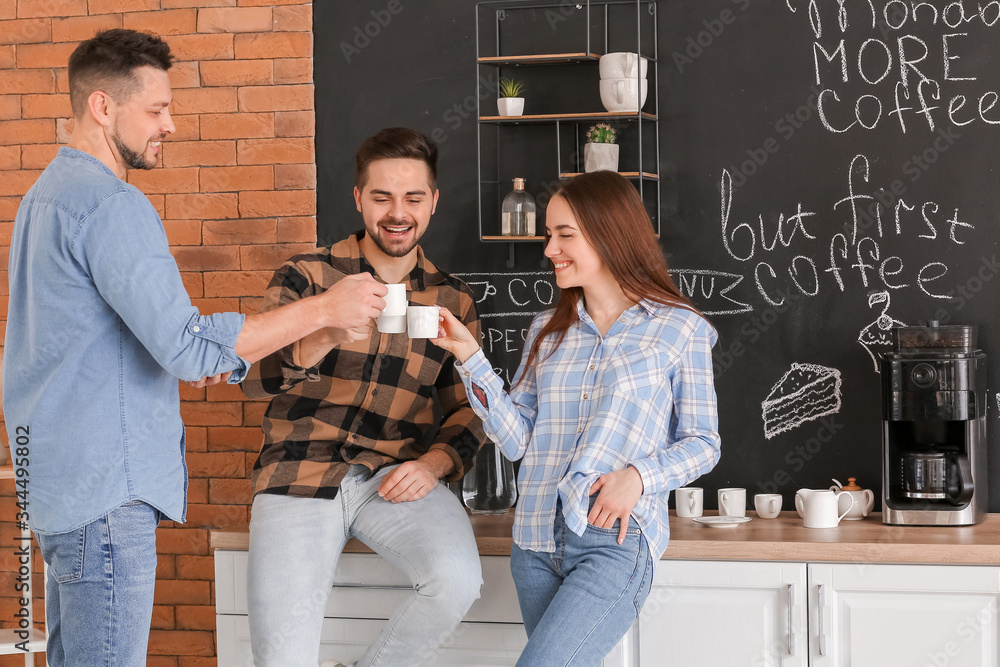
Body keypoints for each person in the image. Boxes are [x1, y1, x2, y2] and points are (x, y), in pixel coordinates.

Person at [2, 29, 387, 666]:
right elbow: (188, 349)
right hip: (108, 495)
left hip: (63, 488)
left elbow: (104, 340)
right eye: (156, 109)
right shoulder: (111, 205)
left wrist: (191, 354)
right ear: (103, 106)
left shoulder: (45, 198)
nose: (171, 125)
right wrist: (326, 308)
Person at [433, 170, 722, 665]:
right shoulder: (546, 329)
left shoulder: (679, 329)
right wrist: (469, 357)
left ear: (611, 235)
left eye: (564, 235)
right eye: (549, 234)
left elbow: (703, 442)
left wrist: (638, 477)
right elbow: (517, 440)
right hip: (534, 542)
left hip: (613, 541)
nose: (550, 249)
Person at [241, 127, 487, 667]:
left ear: (433, 202)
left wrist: (433, 463)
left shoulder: (452, 298)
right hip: (298, 470)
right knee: (281, 659)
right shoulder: (308, 275)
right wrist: (326, 329)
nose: (398, 213)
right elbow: (253, 377)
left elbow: (471, 408)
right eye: (382, 197)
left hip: (395, 476)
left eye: (413, 198)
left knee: (456, 581)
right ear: (358, 198)